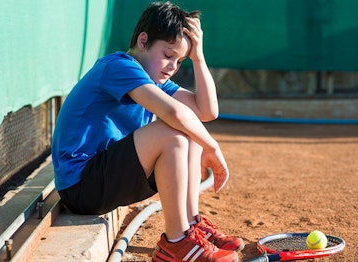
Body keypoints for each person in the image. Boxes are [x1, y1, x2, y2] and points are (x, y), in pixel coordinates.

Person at [51, 2, 243, 261]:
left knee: (190, 127)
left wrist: (198, 57)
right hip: (82, 186)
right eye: (168, 54)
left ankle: (190, 226)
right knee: (173, 132)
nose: (173, 66)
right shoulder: (118, 66)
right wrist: (213, 147)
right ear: (143, 41)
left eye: (179, 60)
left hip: (107, 179)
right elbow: (174, 114)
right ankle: (176, 244)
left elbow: (207, 112)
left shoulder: (154, 79)